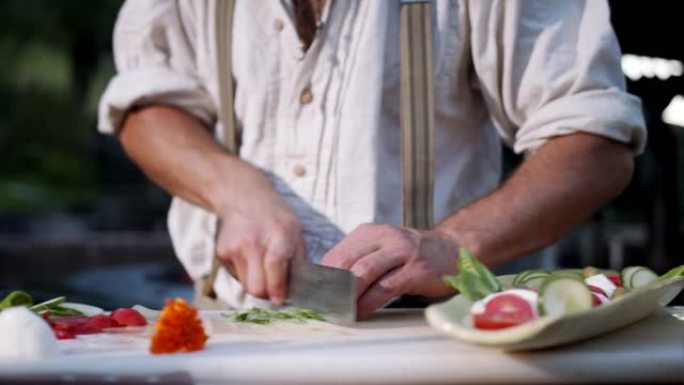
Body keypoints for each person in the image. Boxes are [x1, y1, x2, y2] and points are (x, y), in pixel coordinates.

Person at [98, 0, 645, 319]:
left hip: (430, 342)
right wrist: (233, 191)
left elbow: (596, 141)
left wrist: (457, 245)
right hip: (226, 330)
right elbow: (149, 103)